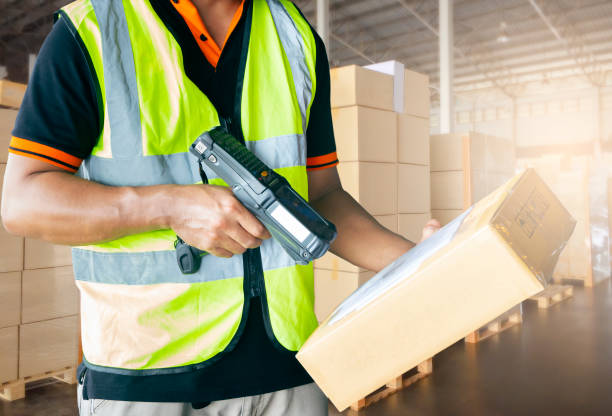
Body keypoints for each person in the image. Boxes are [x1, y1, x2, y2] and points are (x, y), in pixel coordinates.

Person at [1, 0, 440, 414]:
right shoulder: (93, 30)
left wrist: (421, 263)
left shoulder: (295, 35)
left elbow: (321, 198)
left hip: (287, 374)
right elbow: (23, 201)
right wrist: (167, 206)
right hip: (150, 381)